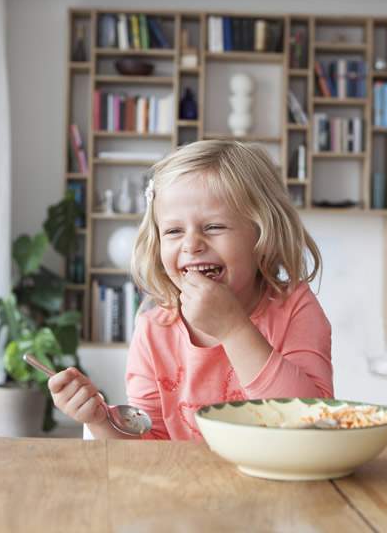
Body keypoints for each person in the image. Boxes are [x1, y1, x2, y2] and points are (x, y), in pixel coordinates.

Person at [48, 140, 333, 440]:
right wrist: (100, 421)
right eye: (174, 231)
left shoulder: (295, 308)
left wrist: (234, 330)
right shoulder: (153, 331)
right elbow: (148, 447)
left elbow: (315, 425)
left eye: (214, 227)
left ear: (263, 234)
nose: (192, 244)